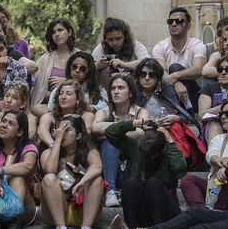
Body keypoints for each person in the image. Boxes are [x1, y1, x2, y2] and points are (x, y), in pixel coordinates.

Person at [106, 119, 186, 229]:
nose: (147, 158)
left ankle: (158, 227)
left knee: (153, 183)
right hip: (143, 210)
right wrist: (135, 123)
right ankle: (133, 227)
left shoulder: (168, 150)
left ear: (159, 151)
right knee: (131, 183)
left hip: (166, 212)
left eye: (150, 156)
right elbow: (110, 133)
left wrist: (170, 140)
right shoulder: (135, 146)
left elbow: (179, 167)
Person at [91, 73, 149, 208]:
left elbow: (141, 133)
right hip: (111, 170)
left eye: (121, 88)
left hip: (132, 169)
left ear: (130, 93)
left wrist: (110, 132)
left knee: (116, 138)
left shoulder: (141, 112)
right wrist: (129, 127)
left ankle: (133, 191)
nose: (116, 91)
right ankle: (110, 191)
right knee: (110, 141)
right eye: (113, 88)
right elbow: (95, 127)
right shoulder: (104, 112)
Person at [39, 115, 105, 229]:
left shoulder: (89, 151)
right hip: (56, 212)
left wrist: (82, 182)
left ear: (79, 136)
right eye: (60, 129)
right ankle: (61, 227)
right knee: (49, 178)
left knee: (97, 180)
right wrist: (57, 140)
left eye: (67, 130)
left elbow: (97, 166)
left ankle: (86, 227)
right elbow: (50, 170)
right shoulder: (48, 152)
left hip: (83, 211)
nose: (61, 132)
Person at [152, 7, 207, 111]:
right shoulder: (160, 47)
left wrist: (175, 76)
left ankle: (187, 113)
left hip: (194, 95)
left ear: (188, 26)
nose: (173, 24)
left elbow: (199, 69)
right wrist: (176, 83)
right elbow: (160, 71)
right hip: (170, 93)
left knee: (175, 67)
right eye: (170, 21)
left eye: (179, 21)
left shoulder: (197, 45)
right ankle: (183, 113)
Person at [31, 18, 80, 117]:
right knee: (36, 109)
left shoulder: (80, 57)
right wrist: (49, 94)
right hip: (50, 106)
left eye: (60, 30)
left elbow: (87, 84)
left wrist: (65, 82)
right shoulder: (45, 59)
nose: (57, 34)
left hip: (74, 105)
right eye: (53, 32)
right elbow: (38, 89)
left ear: (69, 32)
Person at [91, 17, 150, 89]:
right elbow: (87, 67)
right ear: (105, 39)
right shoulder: (101, 48)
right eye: (110, 40)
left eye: (118, 39)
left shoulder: (135, 45)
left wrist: (126, 65)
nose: (115, 43)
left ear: (125, 37)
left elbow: (148, 62)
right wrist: (96, 66)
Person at [38, 80, 95, 150]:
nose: (63, 97)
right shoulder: (49, 116)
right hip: (55, 152)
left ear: (78, 99)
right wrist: (53, 145)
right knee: (44, 144)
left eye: (69, 94)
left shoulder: (86, 115)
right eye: (61, 94)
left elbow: (86, 132)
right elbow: (41, 130)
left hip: (78, 151)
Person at [133, 58, 185, 125]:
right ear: (138, 76)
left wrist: (176, 118)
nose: (147, 78)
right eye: (143, 74)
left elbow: (183, 117)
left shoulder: (165, 88)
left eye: (152, 75)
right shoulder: (132, 89)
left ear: (158, 78)